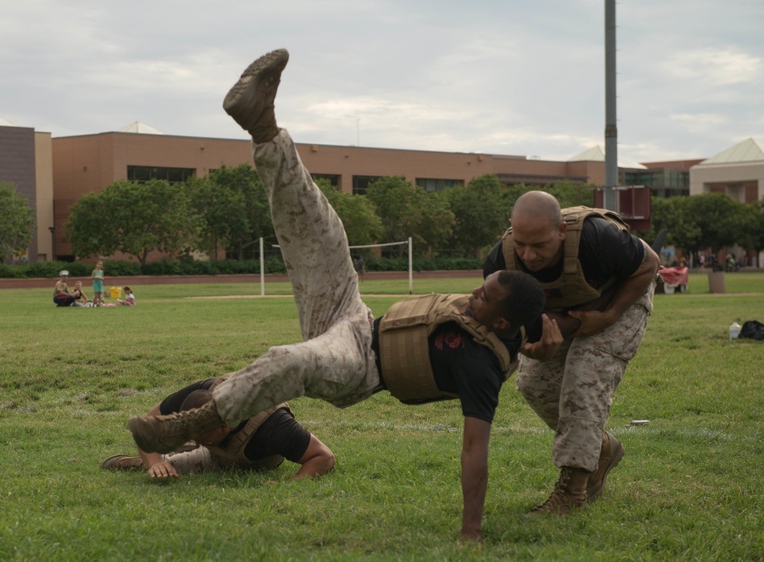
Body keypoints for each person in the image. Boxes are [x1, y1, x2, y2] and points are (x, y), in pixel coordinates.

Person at [127, 48, 561, 541]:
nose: (470, 299)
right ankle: (264, 127)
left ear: (499, 323)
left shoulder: (481, 366)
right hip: (354, 318)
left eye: (482, 301)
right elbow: (535, 327)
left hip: (360, 369)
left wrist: (471, 531)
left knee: (290, 360)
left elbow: (473, 451)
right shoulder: (502, 311)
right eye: (478, 290)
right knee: (325, 231)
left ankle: (198, 420)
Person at [482, 190, 659, 515]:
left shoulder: (598, 238)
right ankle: (603, 448)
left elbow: (649, 264)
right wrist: (532, 343)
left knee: (584, 376)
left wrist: (608, 315)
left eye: (540, 245)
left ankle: (572, 493)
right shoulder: (500, 263)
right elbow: (510, 323)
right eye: (521, 243)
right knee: (534, 385)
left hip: (621, 299)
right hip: (566, 313)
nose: (529, 255)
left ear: (561, 231)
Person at [103, 377, 335, 480]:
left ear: (224, 426)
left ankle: (170, 457)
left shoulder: (273, 426)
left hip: (255, 456)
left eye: (200, 437)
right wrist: (154, 463)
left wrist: (291, 485)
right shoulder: (202, 392)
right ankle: (152, 460)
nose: (195, 440)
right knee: (170, 459)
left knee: (192, 460)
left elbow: (323, 457)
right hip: (219, 443)